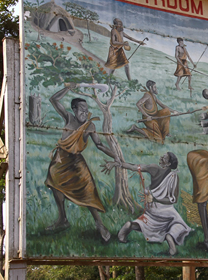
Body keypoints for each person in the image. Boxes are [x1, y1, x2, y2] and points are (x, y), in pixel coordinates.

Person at [44, 83, 120, 242]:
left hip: (76, 161)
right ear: (74, 110)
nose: (85, 112)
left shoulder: (89, 125)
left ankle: (99, 224)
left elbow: (99, 144)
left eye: (86, 110)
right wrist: (67, 88)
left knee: (88, 190)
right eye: (81, 109)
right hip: (60, 159)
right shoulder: (68, 118)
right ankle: (62, 219)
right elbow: (53, 99)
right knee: (55, 185)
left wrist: (116, 156)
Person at [116, 152, 192, 255]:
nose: (161, 157)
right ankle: (170, 237)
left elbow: (134, 167)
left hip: (152, 211)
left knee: (147, 224)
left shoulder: (153, 168)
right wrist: (155, 199)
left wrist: (119, 163)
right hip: (167, 212)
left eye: (164, 157)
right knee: (178, 224)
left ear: (168, 164)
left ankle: (131, 225)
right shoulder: (174, 177)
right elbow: (172, 200)